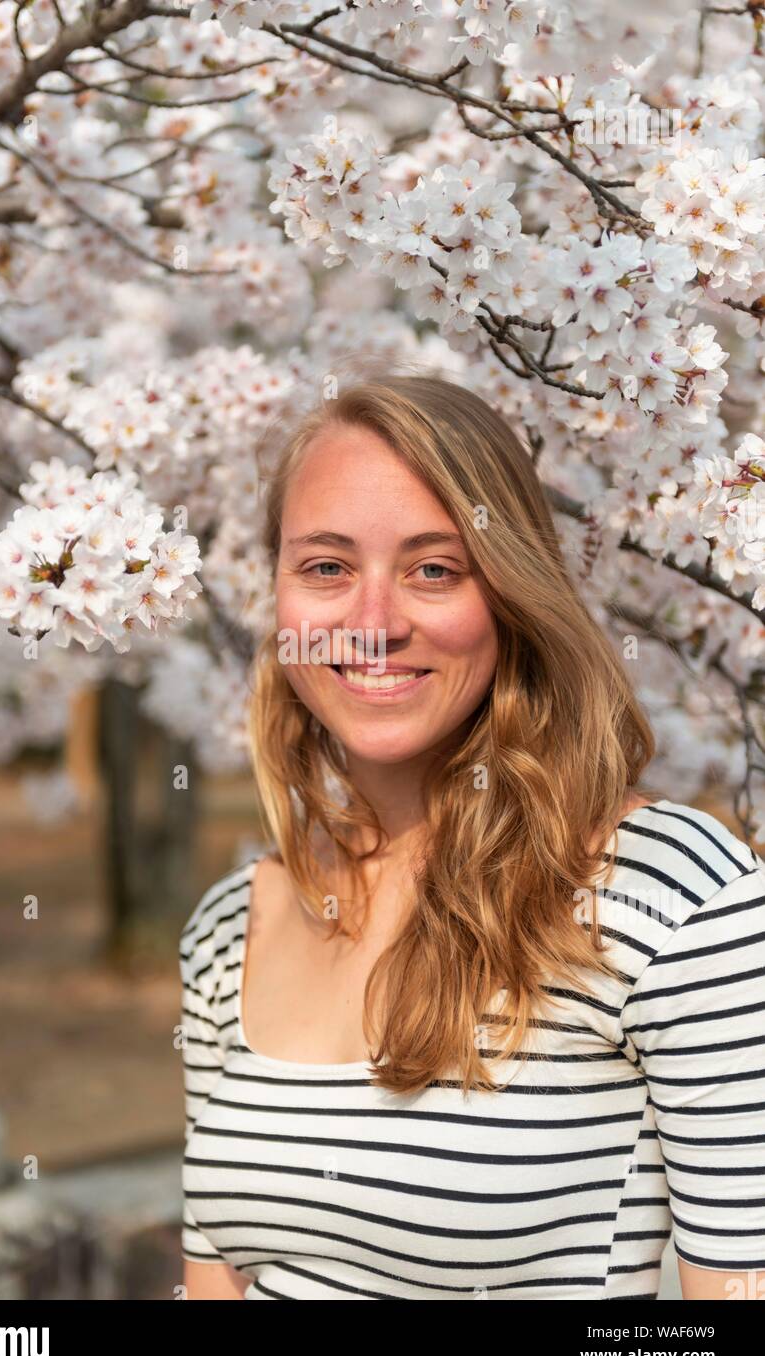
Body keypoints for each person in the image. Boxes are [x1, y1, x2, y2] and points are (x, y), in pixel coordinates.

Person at [180, 371, 765, 1300]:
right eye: (327, 567)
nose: (372, 624)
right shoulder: (228, 926)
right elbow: (214, 1279)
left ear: (510, 596)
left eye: (434, 569)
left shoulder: (673, 895)